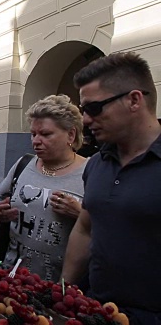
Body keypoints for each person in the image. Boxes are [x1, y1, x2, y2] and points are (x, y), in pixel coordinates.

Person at [62, 52, 161, 324]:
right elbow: (85, 227)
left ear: (134, 100)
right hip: (96, 309)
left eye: (94, 108)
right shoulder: (96, 164)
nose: (85, 119)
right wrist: (63, 289)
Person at [0, 94, 86, 281]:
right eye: (33, 134)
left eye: (46, 134)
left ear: (71, 135)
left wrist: (81, 214)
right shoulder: (24, 163)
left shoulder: (90, 172)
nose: (36, 141)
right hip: (9, 276)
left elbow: (109, 229)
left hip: (58, 288)